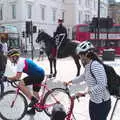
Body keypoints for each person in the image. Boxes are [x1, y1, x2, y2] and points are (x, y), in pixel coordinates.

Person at [65, 41, 111, 120]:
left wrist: (85, 92)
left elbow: (102, 84)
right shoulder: (88, 65)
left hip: (102, 103)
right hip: (94, 100)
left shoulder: (95, 65)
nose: (79, 58)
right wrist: (71, 81)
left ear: (86, 54)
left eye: (80, 55)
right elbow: (83, 76)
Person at [6, 49, 45, 115]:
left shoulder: (19, 63)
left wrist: (7, 78)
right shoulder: (21, 60)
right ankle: (33, 109)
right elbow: (17, 76)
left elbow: (17, 77)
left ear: (14, 57)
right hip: (40, 73)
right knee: (35, 93)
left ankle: (33, 99)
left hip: (37, 75)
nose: (9, 60)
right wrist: (11, 78)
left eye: (10, 58)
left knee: (20, 84)